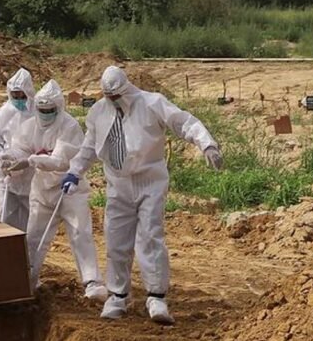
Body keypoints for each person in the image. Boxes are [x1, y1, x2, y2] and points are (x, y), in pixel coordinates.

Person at [63, 66, 224, 324]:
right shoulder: (98, 113)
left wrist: (206, 143)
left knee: (150, 236)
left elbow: (183, 122)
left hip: (150, 181)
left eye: (116, 96)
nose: (113, 101)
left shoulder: (152, 103)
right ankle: (118, 295)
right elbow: (89, 147)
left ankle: (156, 296)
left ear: (125, 89)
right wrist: (74, 172)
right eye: (108, 96)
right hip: (118, 184)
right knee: (116, 238)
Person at [3, 79, 106, 299]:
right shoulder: (30, 126)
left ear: (58, 108)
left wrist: (31, 160)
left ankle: (92, 282)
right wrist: (11, 159)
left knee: (80, 234)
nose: (45, 114)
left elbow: (59, 160)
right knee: (34, 237)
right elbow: (20, 148)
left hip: (69, 189)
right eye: (42, 110)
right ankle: (28, 280)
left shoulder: (68, 126)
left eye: (50, 110)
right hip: (42, 191)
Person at [0, 68, 36, 231]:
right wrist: (2, 160)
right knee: (7, 224)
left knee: (33, 225)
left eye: (22, 95)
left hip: (33, 176)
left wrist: (31, 160)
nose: (19, 99)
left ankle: (30, 256)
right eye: (15, 95)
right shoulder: (0, 117)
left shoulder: (38, 112)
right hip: (8, 178)